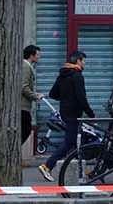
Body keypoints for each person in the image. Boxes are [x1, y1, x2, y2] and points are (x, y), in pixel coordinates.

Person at [38, 50, 93, 182]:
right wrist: (90, 113)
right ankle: (47, 165)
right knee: (70, 141)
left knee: (76, 141)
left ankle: (79, 169)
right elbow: (81, 97)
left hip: (65, 112)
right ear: (78, 61)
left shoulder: (63, 74)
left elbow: (53, 93)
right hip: (74, 114)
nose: (84, 64)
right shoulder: (77, 76)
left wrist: (65, 97)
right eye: (83, 61)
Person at [21, 46, 42, 146]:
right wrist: (35, 96)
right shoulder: (26, 66)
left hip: (25, 106)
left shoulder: (28, 66)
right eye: (37, 55)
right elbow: (23, 86)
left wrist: (35, 94)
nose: (39, 57)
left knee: (25, 130)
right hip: (22, 106)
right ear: (31, 55)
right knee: (26, 130)